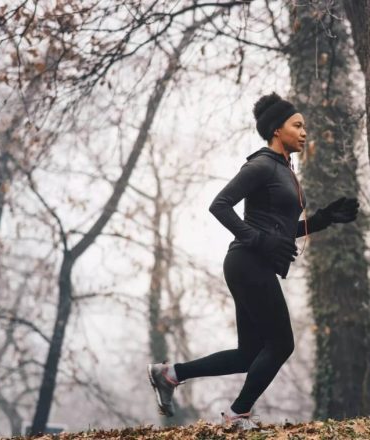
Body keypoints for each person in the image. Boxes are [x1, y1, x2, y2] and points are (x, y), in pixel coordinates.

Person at [147, 92, 359, 431]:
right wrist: (260, 240)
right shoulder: (261, 165)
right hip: (248, 261)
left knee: (250, 354)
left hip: (251, 264)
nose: (305, 133)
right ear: (277, 129)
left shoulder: (283, 171)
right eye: (298, 125)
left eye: (305, 127)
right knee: (282, 344)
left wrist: (322, 219)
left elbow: (282, 229)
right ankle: (238, 415)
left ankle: (170, 374)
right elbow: (220, 205)